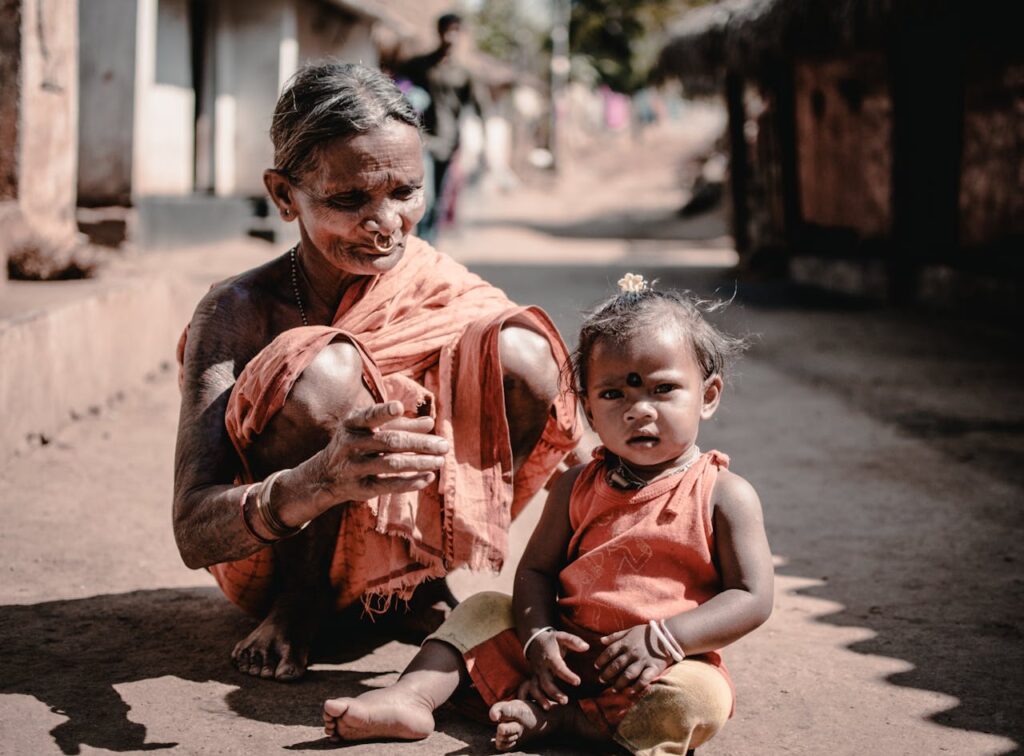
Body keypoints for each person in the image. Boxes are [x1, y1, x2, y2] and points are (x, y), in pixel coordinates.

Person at [173, 62, 581, 681]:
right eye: (349, 200)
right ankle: (301, 601)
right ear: (284, 196)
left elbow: (552, 406)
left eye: (405, 192)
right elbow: (194, 532)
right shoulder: (236, 312)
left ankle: (417, 578)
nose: (387, 223)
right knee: (322, 367)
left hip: (412, 543)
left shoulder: (433, 280)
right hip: (273, 552)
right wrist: (319, 481)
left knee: (526, 352)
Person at [322, 275, 774, 754]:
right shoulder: (574, 486)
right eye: (614, 394)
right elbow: (536, 570)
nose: (639, 411)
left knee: (701, 697)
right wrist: (538, 637)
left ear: (707, 396)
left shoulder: (723, 494)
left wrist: (668, 639)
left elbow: (752, 596)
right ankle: (410, 697)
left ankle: (575, 725)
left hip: (657, 668)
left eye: (663, 390)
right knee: (483, 610)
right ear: (587, 411)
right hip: (561, 659)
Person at [397, 12, 485, 244]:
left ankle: (430, 245)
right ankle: (419, 241)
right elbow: (397, 88)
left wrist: (480, 145)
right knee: (426, 194)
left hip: (450, 142)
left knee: (441, 199)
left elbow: (478, 109)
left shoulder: (464, 74)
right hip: (422, 139)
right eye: (447, 30)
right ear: (439, 32)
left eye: (455, 30)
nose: (450, 36)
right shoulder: (419, 66)